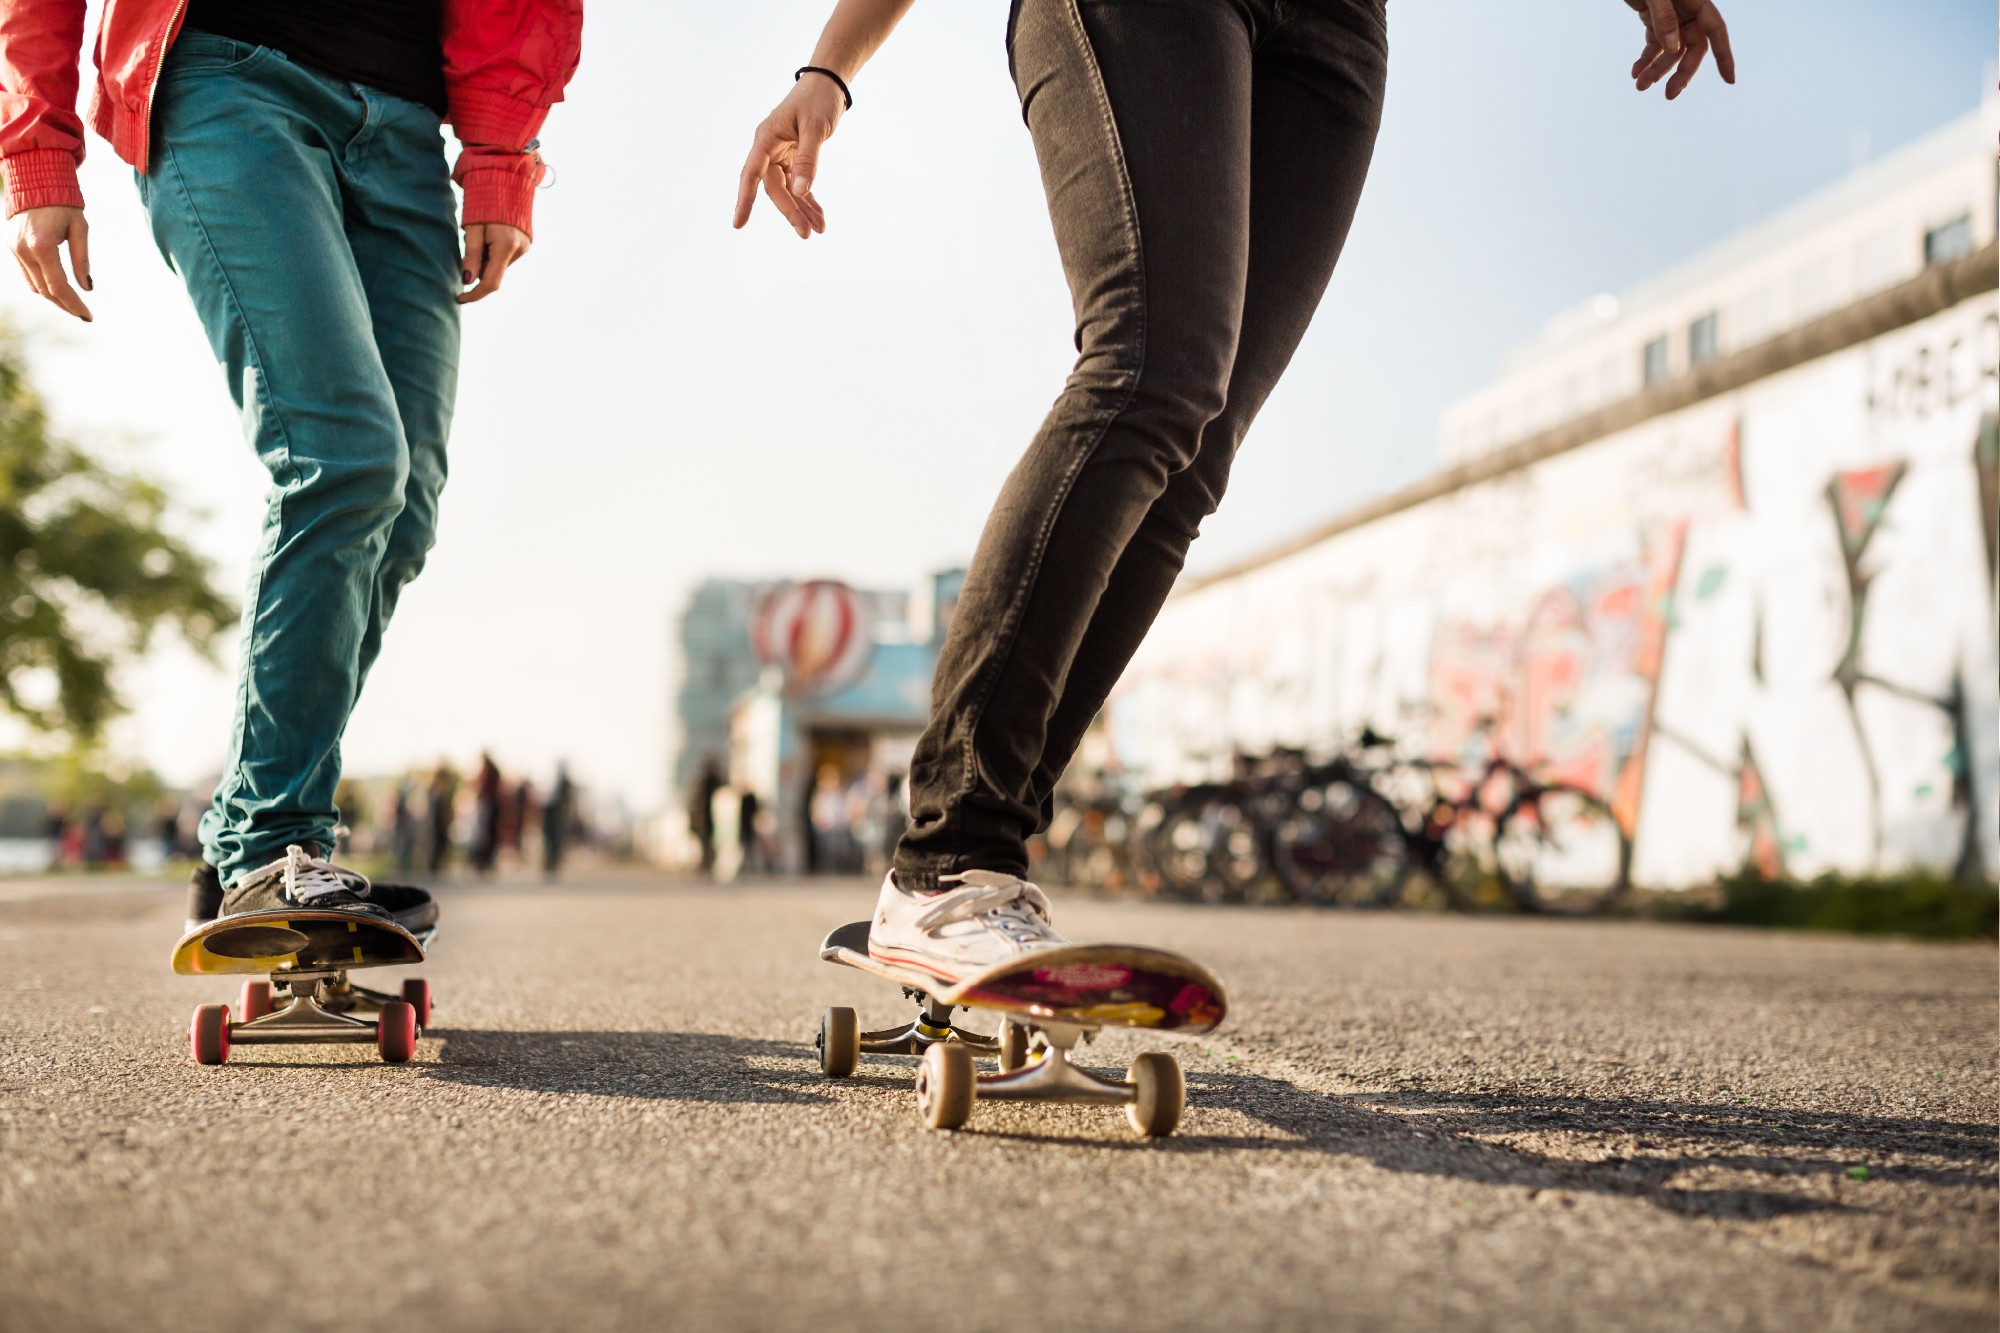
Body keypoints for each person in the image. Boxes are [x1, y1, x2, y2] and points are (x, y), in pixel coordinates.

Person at [736, 0, 1733, 982]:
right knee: (1146, 375)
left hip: (1336, 27)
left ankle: (976, 871)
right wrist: (829, 67)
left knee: (1194, 447)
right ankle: (950, 857)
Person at [1, 2, 584, 929]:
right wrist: (38, 149)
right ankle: (272, 842)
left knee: (403, 508)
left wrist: (500, 158)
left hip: (404, 126)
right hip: (228, 82)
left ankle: (251, 842)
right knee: (343, 461)